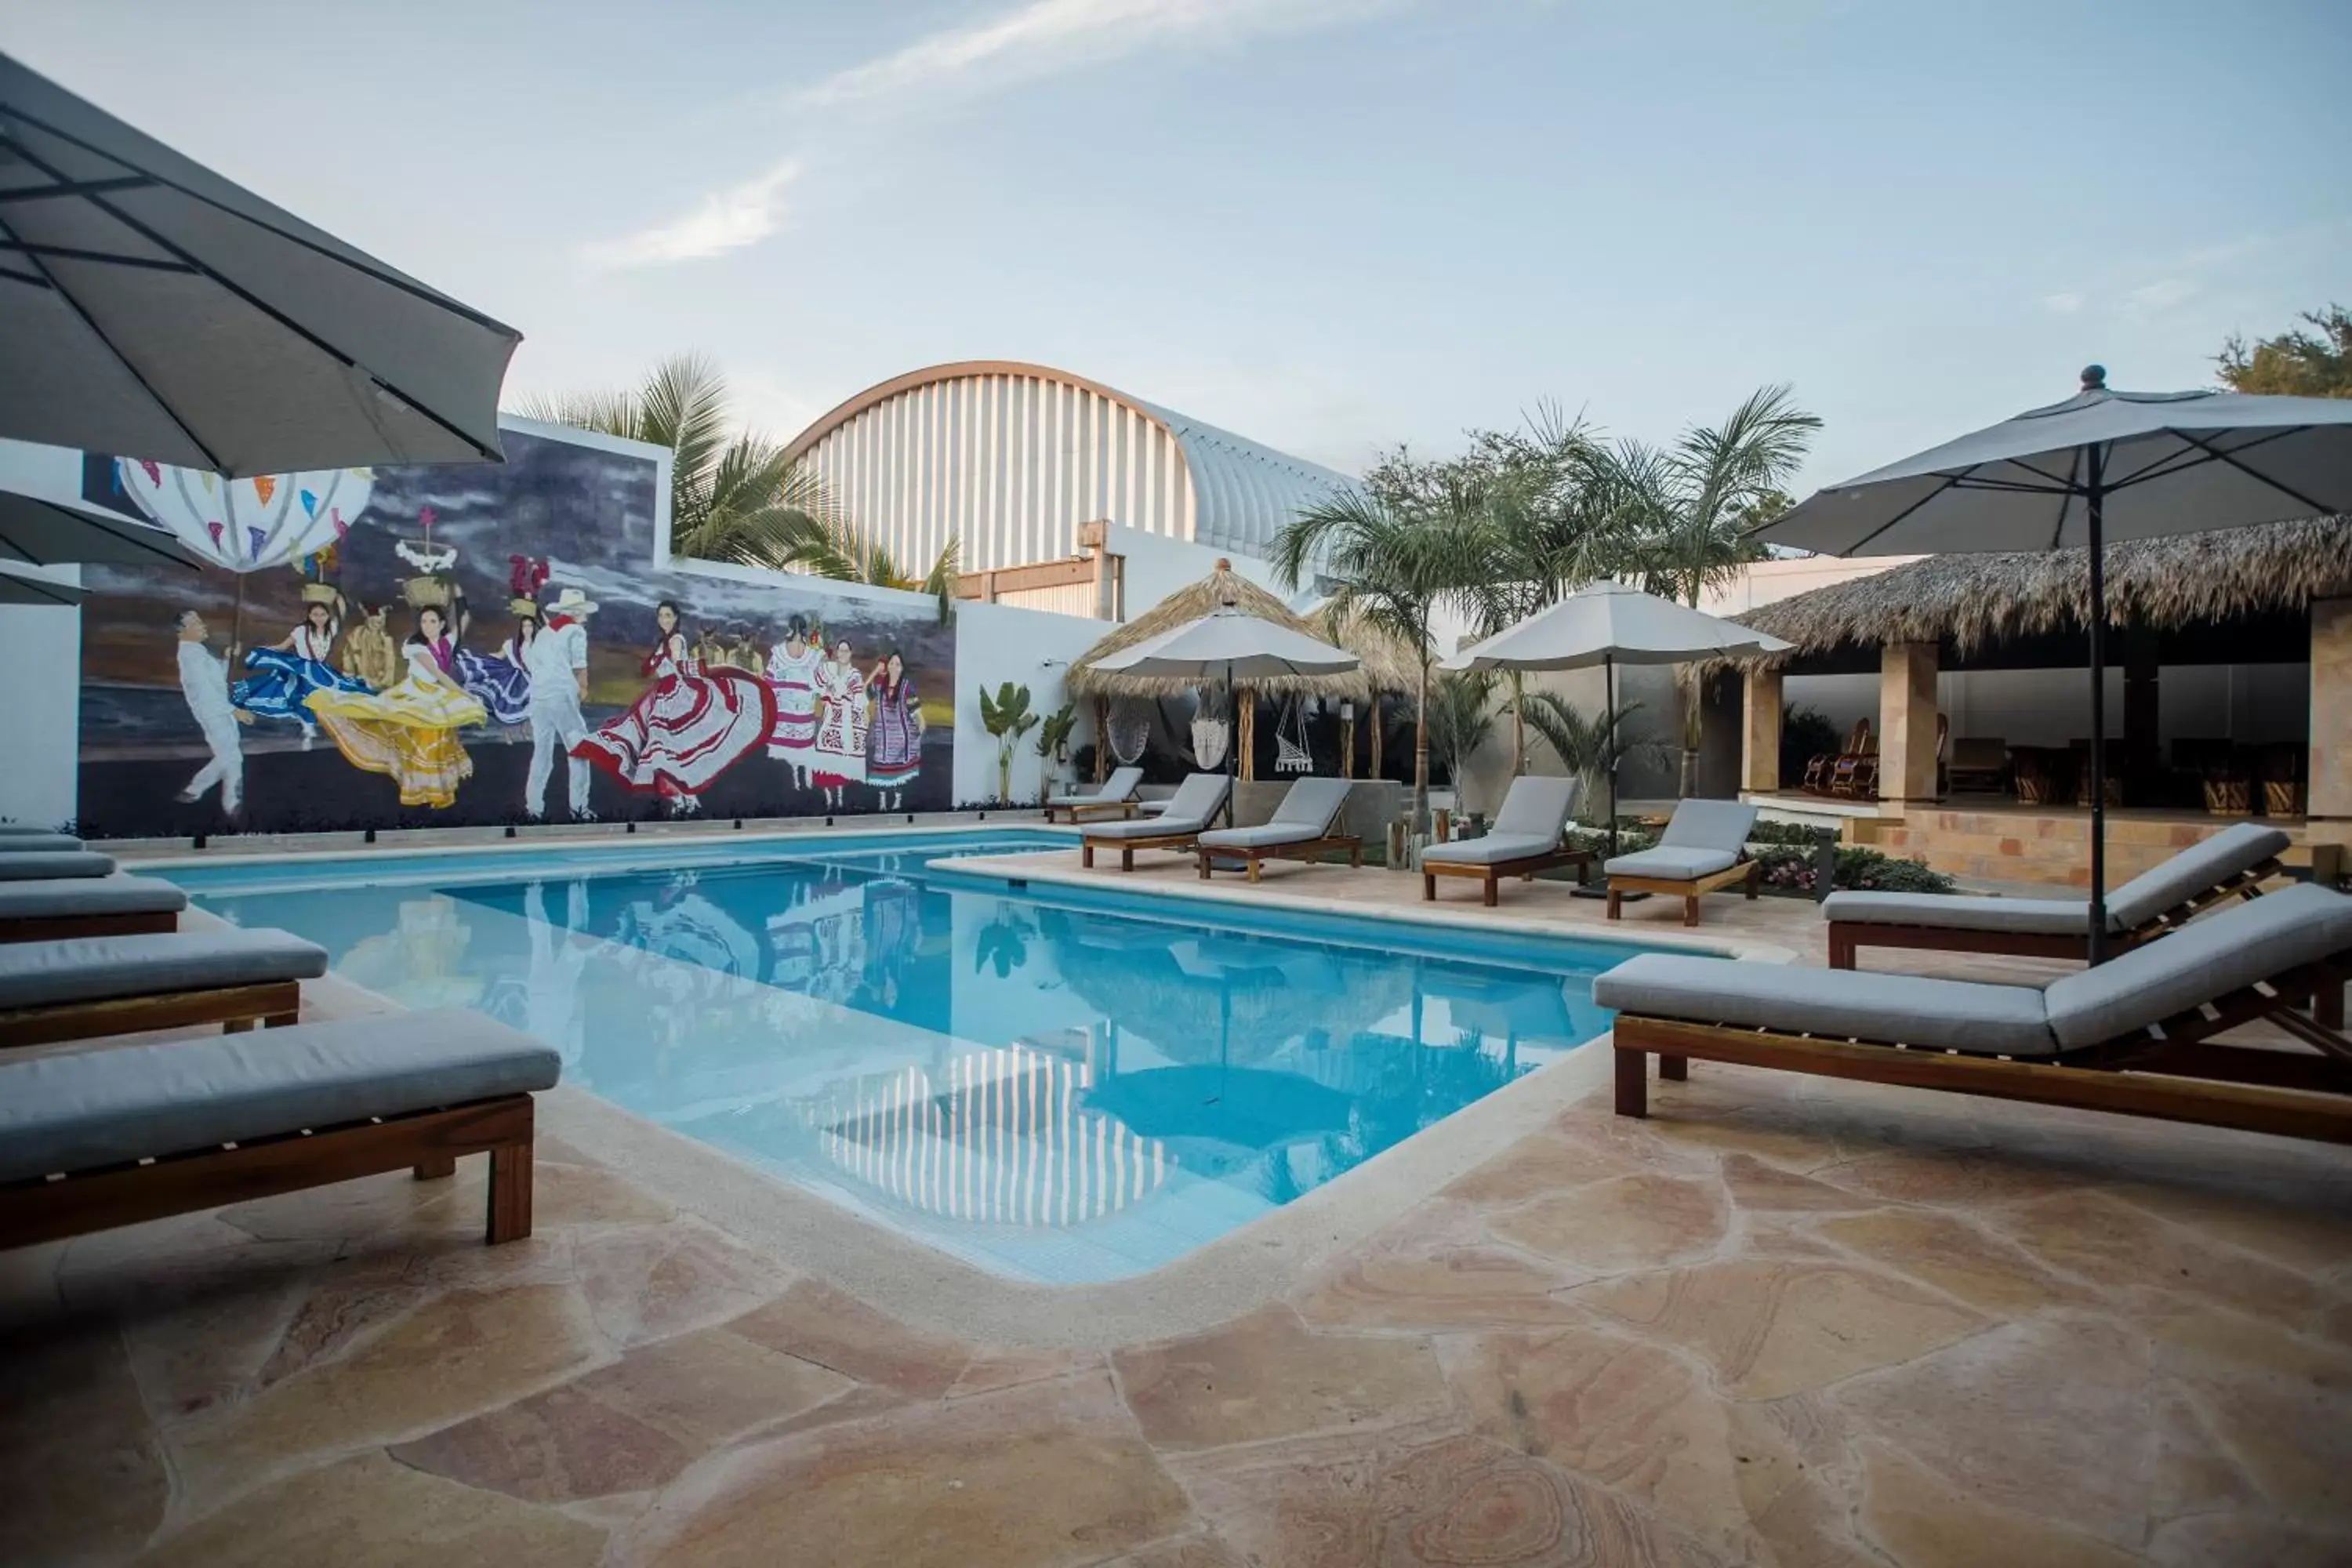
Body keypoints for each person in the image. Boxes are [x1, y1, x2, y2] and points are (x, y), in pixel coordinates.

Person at [574, 600, 773, 816]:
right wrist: (654, 661)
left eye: (668, 615)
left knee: (669, 751)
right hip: (663, 696)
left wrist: (703, 668)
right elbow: (648, 670)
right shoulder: (664, 641)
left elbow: (678, 666)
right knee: (666, 752)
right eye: (661, 616)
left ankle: (685, 801)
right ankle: (685, 801)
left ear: (676, 618)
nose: (664, 620)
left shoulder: (676, 639)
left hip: (677, 696)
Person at [304, 607, 489, 808]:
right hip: (415, 694)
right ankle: (419, 790)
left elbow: (462, 620)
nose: (427, 626)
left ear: (442, 624)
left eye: (433, 621)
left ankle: (440, 791)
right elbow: (440, 675)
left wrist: (458, 601)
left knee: (439, 736)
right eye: (424, 622)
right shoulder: (416, 646)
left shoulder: (446, 642)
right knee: (420, 738)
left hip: (435, 695)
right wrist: (466, 694)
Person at [230, 600, 371, 746]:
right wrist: (265, 650)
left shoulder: (332, 628)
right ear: (309, 616)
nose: (319, 618)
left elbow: (341, 615)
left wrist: (337, 598)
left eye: (322, 615)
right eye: (315, 614)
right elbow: (283, 646)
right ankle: (307, 727)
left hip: (321, 670)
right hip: (303, 668)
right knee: (302, 696)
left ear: (328, 616)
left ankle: (326, 726)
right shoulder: (301, 631)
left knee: (332, 693)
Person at [524, 588, 597, 822]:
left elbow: (534, 664)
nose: (586, 615)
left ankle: (533, 808)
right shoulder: (576, 631)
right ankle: (579, 809)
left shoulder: (544, 633)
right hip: (561, 697)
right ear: (575, 612)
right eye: (583, 611)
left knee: (542, 754)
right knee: (579, 752)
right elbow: (579, 667)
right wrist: (582, 690)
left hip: (539, 698)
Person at [175, 611, 252, 815]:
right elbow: (204, 691)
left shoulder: (197, 651)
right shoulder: (190, 656)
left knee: (228, 756)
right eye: (197, 624)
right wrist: (233, 710)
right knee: (232, 758)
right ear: (183, 631)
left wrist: (226, 660)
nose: (203, 626)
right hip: (213, 712)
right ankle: (231, 805)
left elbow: (216, 680)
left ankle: (194, 790)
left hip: (218, 709)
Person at [451, 607, 534, 735]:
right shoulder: (512, 644)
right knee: (503, 698)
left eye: (530, 626)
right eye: (524, 626)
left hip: (534, 679)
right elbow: (499, 656)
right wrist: (479, 659)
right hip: (516, 679)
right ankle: (514, 730)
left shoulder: (540, 643)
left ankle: (525, 729)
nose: (527, 629)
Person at [764, 614, 823, 789]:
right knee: (804, 748)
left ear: (790, 629)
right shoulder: (813, 656)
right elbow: (820, 685)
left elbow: (768, 683)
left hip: (784, 713)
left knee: (786, 752)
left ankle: (794, 783)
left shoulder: (778, 654)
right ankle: (807, 782)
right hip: (804, 713)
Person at [810, 637, 868, 811]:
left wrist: (844, 696)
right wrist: (827, 691)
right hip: (829, 719)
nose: (842, 654)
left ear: (850, 654)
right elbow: (816, 683)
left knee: (841, 759)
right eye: (840, 650)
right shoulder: (829, 668)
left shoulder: (855, 674)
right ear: (836, 653)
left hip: (846, 721)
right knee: (824, 755)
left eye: (846, 651)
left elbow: (859, 699)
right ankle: (828, 797)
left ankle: (840, 797)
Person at [864, 650, 923, 811]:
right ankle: (882, 802)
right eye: (891, 663)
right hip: (883, 737)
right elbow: (863, 692)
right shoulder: (879, 686)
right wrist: (876, 671)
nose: (894, 666)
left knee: (898, 773)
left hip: (900, 737)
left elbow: (916, 711)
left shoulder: (906, 688)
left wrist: (921, 726)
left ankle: (897, 800)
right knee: (882, 771)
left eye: (897, 664)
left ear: (902, 668)